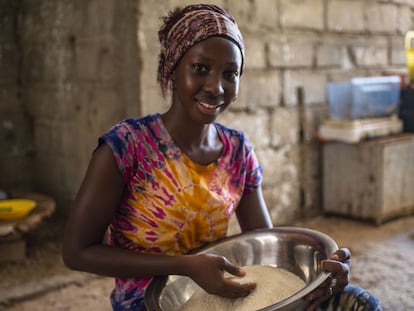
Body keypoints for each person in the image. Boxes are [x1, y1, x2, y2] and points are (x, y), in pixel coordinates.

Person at [63, 4, 382, 311]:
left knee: (355, 302)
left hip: (227, 296)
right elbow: (77, 252)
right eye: (200, 69)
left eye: (230, 74)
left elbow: (267, 246)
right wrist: (184, 266)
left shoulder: (237, 150)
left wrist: (323, 276)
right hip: (143, 304)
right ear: (173, 69)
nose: (216, 87)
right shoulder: (128, 145)